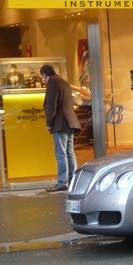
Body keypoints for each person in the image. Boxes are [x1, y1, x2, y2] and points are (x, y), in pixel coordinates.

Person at [41, 64, 81, 192]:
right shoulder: (64, 82)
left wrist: (49, 123)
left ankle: (62, 182)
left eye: (42, 77)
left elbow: (51, 105)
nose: (43, 80)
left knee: (60, 153)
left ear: (46, 75)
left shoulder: (52, 82)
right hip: (70, 122)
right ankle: (73, 181)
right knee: (69, 152)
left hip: (60, 123)